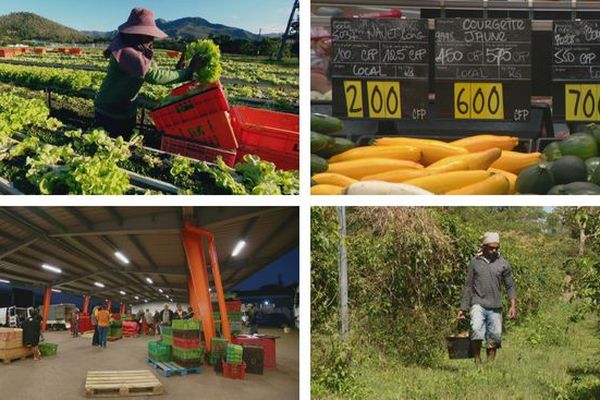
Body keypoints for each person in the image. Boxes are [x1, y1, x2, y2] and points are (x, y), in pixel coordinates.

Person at [94, 7, 205, 140]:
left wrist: (178, 69)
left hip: (125, 108)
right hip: (110, 109)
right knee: (110, 146)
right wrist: (187, 72)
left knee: (123, 143)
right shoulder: (126, 51)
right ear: (135, 33)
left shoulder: (139, 48)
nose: (151, 38)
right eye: (147, 34)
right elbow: (153, 76)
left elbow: (154, 69)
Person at [457, 232, 518, 365]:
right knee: (476, 329)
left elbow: (510, 286)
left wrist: (513, 306)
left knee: (494, 336)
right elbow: (468, 286)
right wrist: (463, 308)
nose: (494, 250)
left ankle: (490, 365)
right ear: (484, 247)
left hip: (496, 306)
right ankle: (477, 360)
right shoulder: (475, 263)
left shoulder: (503, 264)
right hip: (478, 303)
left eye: (496, 248)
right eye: (491, 248)